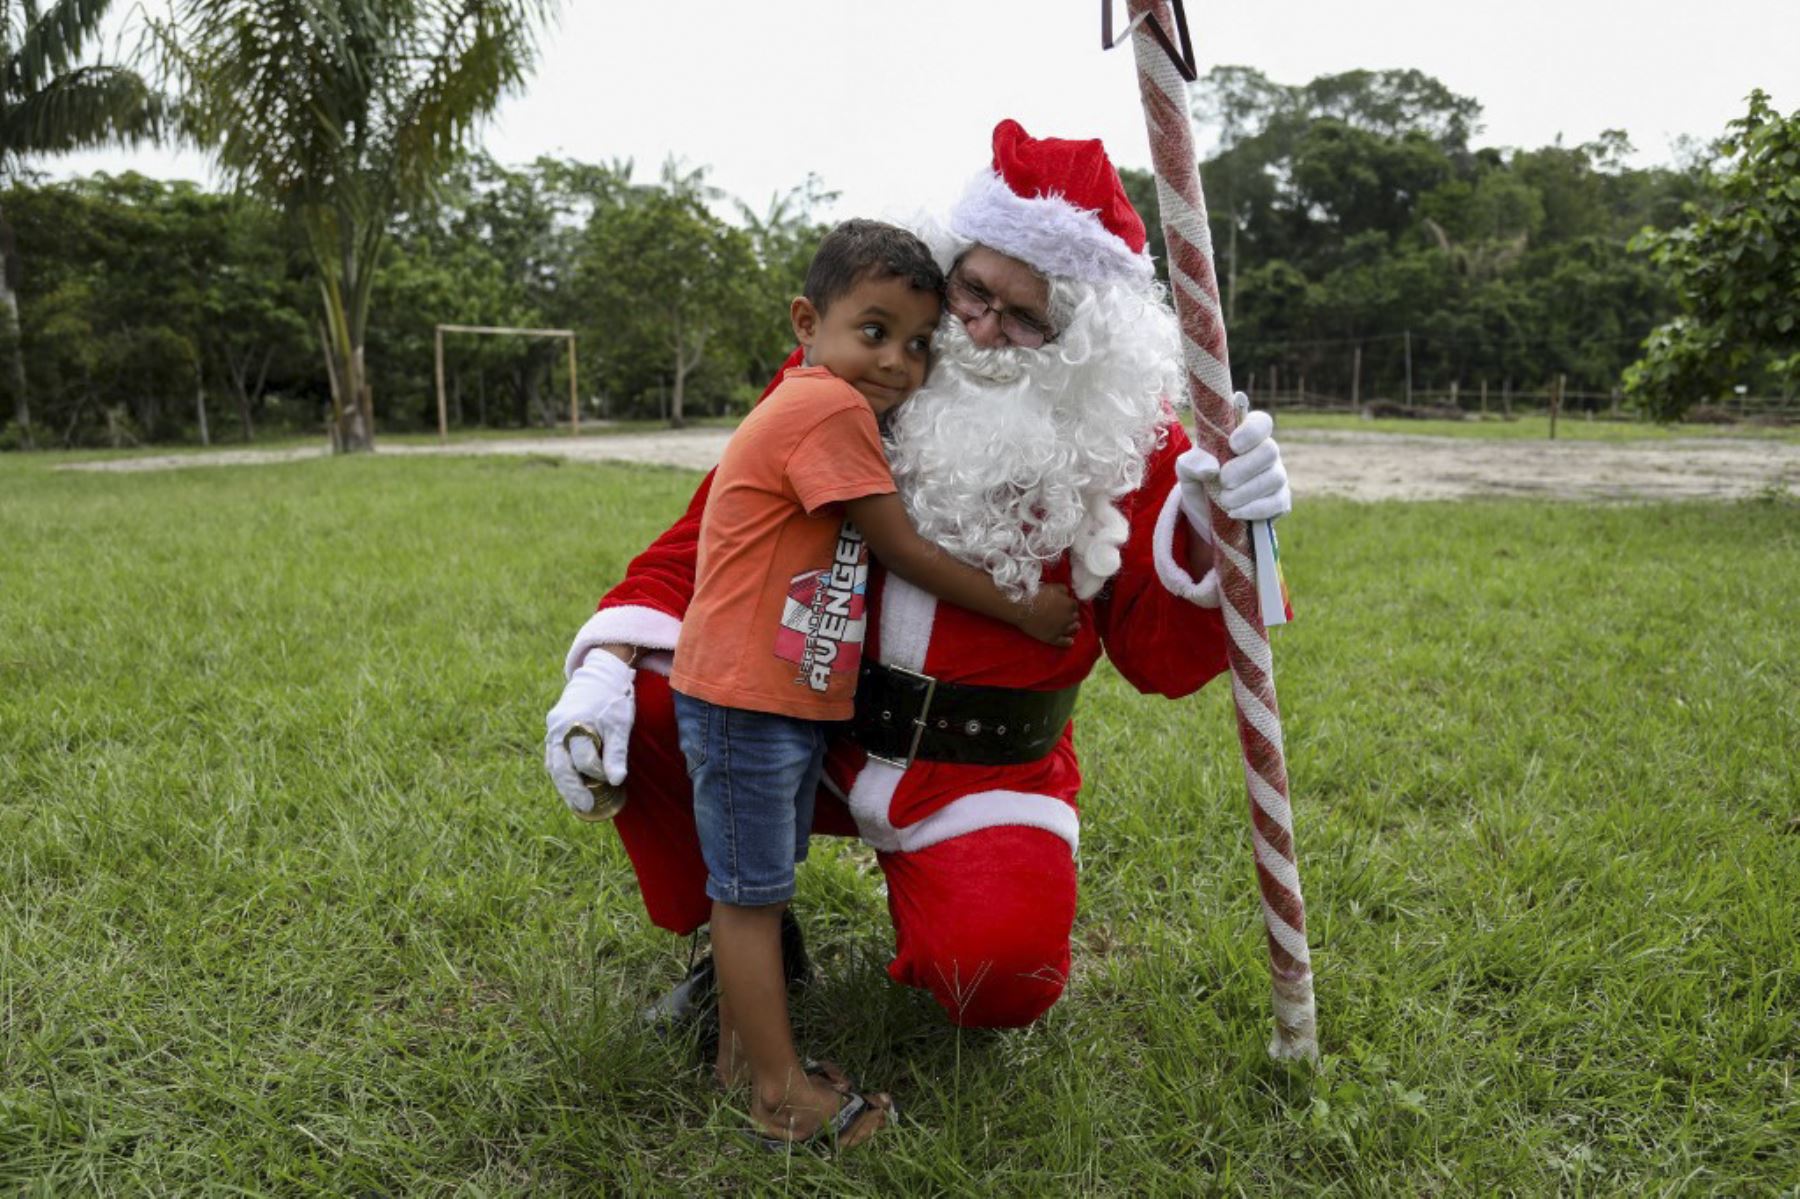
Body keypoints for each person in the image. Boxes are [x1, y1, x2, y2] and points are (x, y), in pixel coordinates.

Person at [544, 119, 1292, 1049]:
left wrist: (1233, 528)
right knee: (662, 704)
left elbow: (1160, 658)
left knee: (997, 979)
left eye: (1026, 319)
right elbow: (710, 538)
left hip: (980, 769)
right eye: (973, 290)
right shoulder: (849, 376)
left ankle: (946, 908)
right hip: (799, 719)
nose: (980, 329)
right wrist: (610, 658)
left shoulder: (1132, 445)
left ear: (1082, 342)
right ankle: (750, 941)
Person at [665, 218, 1079, 1148]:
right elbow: (901, 547)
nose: (898, 362)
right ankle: (775, 1094)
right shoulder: (827, 409)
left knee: (757, 887)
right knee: (750, 896)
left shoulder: (826, 400)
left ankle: (743, 1057)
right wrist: (1021, 611)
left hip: (766, 692)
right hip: (745, 696)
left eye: (920, 342)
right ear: (807, 322)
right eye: (875, 330)